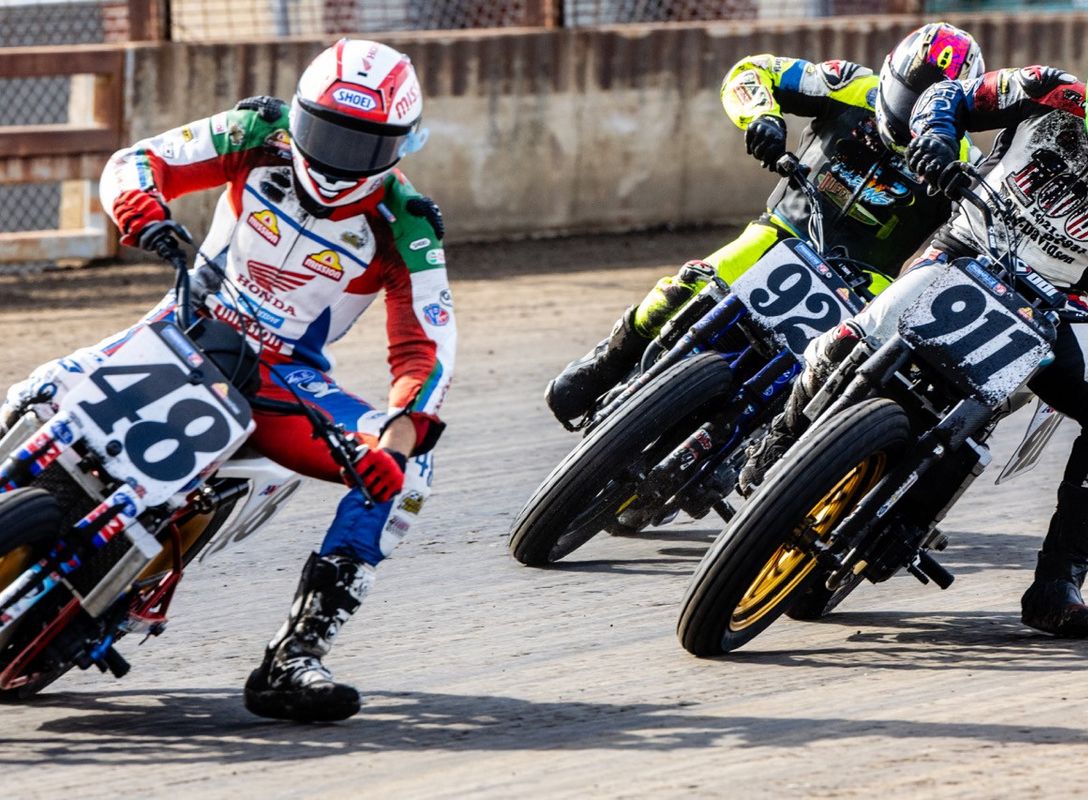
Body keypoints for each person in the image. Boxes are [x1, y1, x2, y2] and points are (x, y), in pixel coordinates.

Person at [0, 39, 455, 721]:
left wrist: (396, 437)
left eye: (364, 145)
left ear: (401, 146)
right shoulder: (254, 132)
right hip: (181, 327)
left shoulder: (408, 224)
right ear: (297, 116)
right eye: (326, 133)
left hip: (282, 380)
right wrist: (141, 208)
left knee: (409, 476)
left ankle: (295, 655)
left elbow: (426, 347)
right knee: (36, 391)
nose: (338, 160)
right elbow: (140, 161)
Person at [769, 17, 1088, 638]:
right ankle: (780, 437)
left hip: (1052, 310)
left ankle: (1059, 580)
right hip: (963, 253)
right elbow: (950, 95)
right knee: (849, 338)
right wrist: (936, 140)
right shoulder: (1046, 90)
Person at [544, 22, 986, 430]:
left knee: (838, 378)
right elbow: (752, 72)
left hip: (866, 283)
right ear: (889, 72)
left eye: (929, 104)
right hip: (782, 233)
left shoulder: (967, 162)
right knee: (687, 285)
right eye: (908, 95)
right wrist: (762, 116)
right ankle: (610, 361)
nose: (909, 114)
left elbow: (985, 230)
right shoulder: (851, 85)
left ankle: (777, 451)